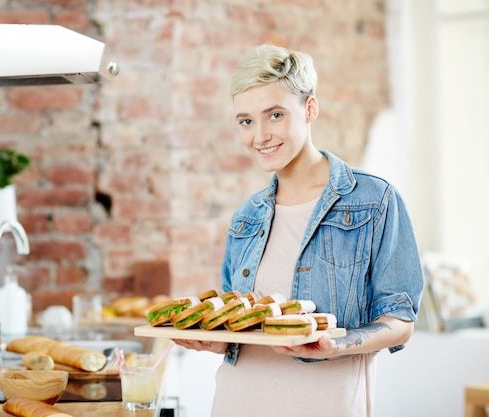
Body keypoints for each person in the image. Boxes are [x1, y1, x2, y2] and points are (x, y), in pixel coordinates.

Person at [173, 44, 424, 417]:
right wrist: (209, 340)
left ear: (310, 109)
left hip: (327, 404)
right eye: (246, 121)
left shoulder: (374, 201)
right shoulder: (248, 217)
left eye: (274, 115)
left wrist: (336, 344)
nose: (260, 136)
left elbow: (400, 321)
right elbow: (236, 328)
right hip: (237, 402)